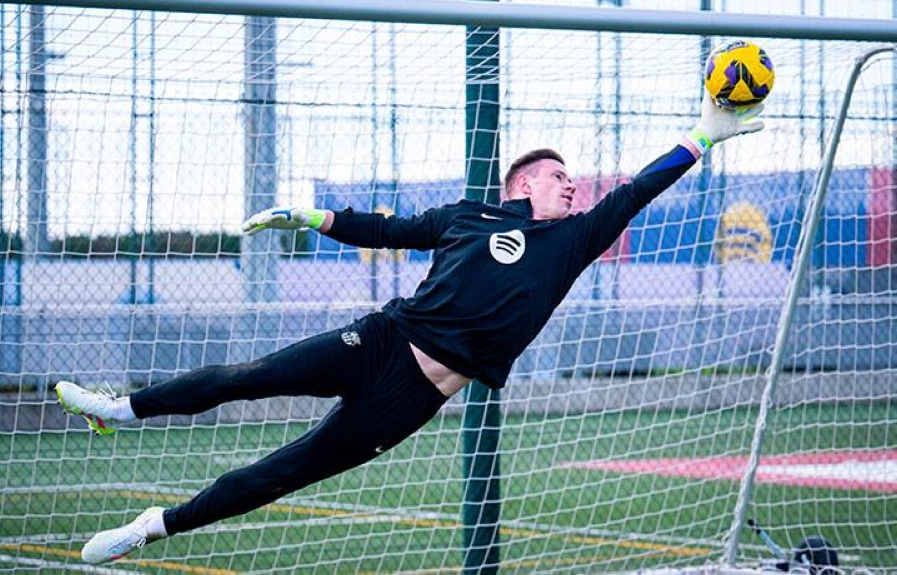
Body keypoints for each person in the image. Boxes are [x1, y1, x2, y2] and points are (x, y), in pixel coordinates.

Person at [55, 95, 764, 565]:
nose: (571, 184)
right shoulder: (467, 216)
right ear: (522, 185)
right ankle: (117, 408)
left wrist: (705, 134)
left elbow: (639, 189)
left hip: (414, 398)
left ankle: (154, 525)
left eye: (572, 177)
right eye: (557, 175)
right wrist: (307, 218)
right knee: (251, 377)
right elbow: (385, 228)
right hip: (383, 340)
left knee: (281, 472)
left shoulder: (575, 239)